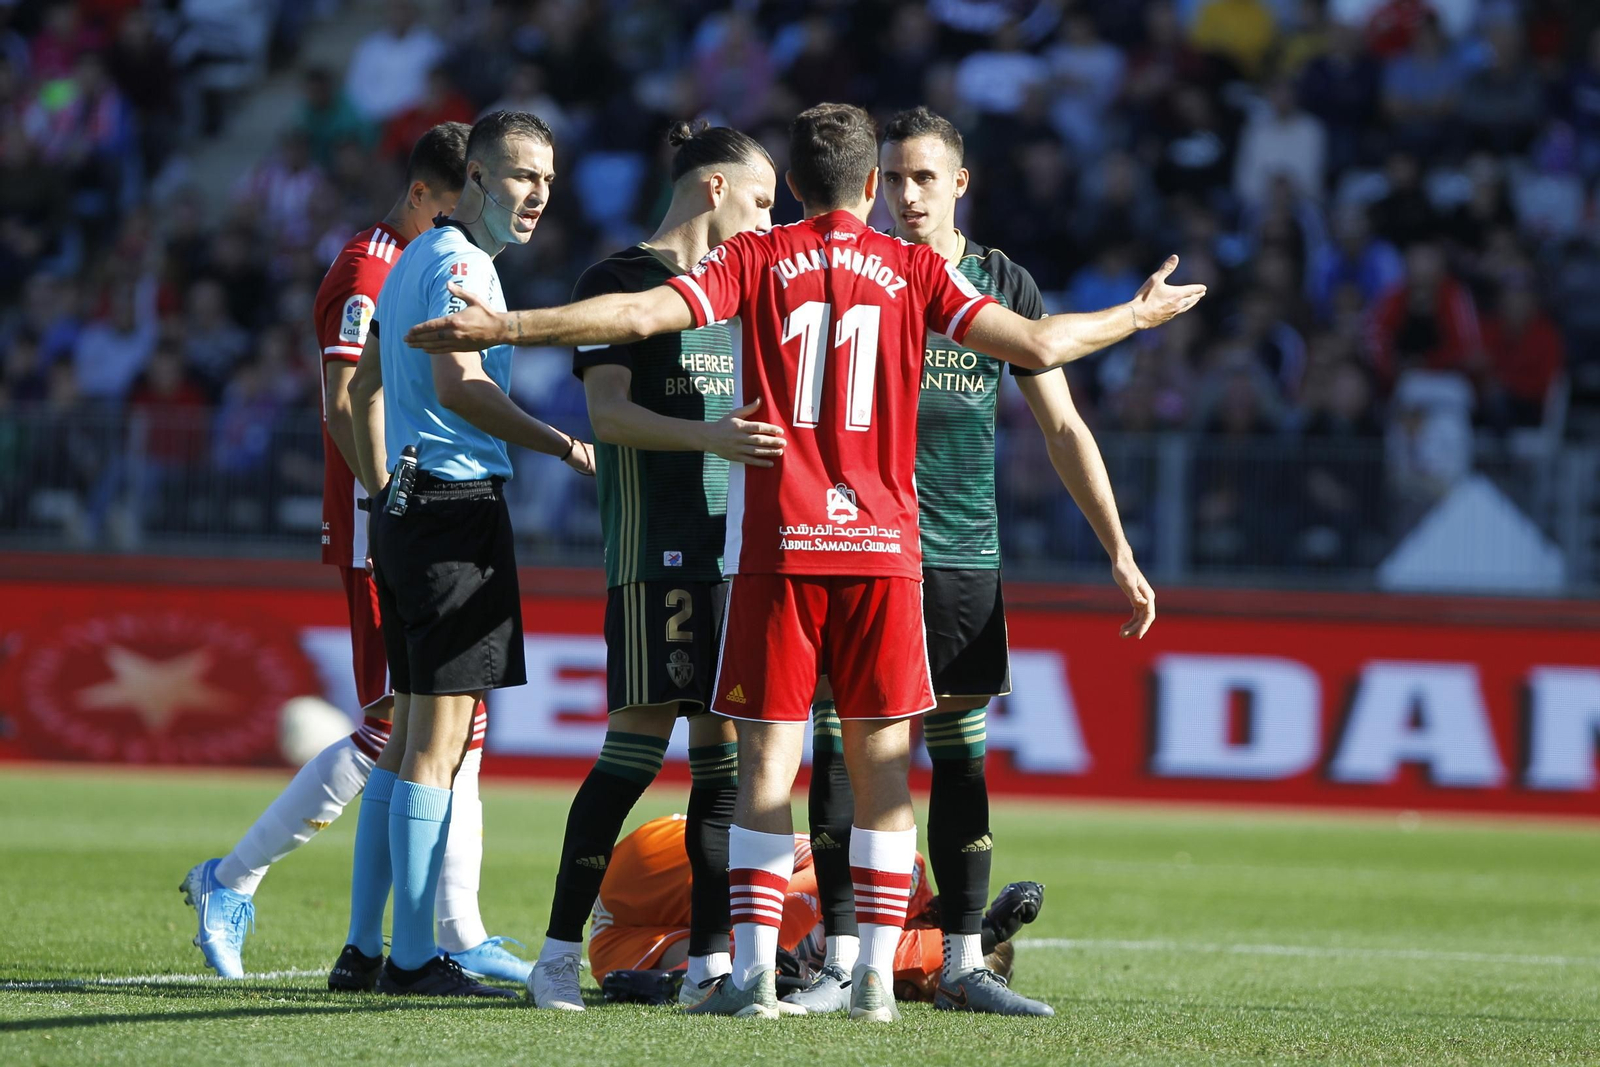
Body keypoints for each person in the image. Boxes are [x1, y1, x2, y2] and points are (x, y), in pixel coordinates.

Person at [404, 101, 1205, 1021]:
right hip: (883, 553)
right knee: (882, 768)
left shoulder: (757, 257)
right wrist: (1138, 315)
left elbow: (633, 314)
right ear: (872, 184)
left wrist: (505, 330)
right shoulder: (914, 268)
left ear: (791, 186)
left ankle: (748, 976)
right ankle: (869, 979)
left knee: (764, 765)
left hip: (780, 553)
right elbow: (1041, 344)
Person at [785, 107, 1154, 1019]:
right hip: (858, 548)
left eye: (925, 178)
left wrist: (1118, 548)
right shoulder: (853, 275)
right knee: (842, 748)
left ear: (959, 184)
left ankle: (960, 959)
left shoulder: (1001, 282)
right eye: (895, 177)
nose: (907, 195)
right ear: (871, 183)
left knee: (959, 756)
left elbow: (1063, 425)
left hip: (960, 554)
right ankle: (839, 958)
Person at [181, 124, 529, 987]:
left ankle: (455, 925)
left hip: (410, 510)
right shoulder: (371, 270)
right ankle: (232, 877)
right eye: (455, 208)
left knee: (457, 724)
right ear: (426, 194)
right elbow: (345, 399)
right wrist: (388, 499)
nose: (463, 231)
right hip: (390, 515)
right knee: (395, 726)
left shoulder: (411, 262)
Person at [528, 120, 783, 1012]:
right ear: (714, 189)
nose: (767, 222)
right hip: (655, 553)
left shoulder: (746, 288)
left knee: (725, 767)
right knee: (631, 758)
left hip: (735, 554)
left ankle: (710, 964)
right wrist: (710, 435)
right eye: (759, 201)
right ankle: (556, 954)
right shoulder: (620, 282)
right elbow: (608, 415)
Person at [345, 110, 595, 999]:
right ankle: (415, 960)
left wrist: (381, 482)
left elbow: (363, 386)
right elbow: (462, 382)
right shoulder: (463, 265)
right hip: (454, 510)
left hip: (413, 510)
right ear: (479, 179)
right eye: (523, 176)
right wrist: (564, 445)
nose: (538, 195)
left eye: (549, 181)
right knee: (438, 743)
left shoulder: (412, 257)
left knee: (410, 734)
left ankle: (362, 948)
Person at [587, 815, 1045, 1003]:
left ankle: (679, 980)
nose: (904, 984)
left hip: (615, 939)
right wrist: (985, 934)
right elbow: (786, 906)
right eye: (918, 983)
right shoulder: (907, 874)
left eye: (911, 992)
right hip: (656, 859)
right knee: (782, 950)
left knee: (771, 961)